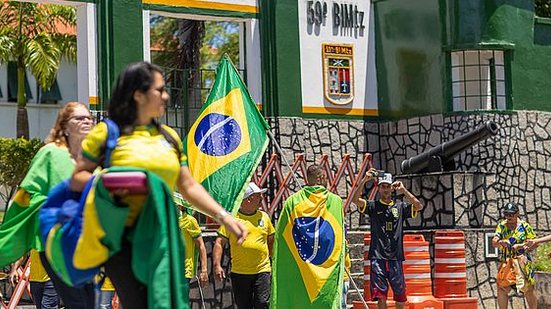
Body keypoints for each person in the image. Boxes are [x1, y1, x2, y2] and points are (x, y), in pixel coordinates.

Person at [70, 61, 247, 309]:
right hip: (123, 241)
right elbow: (78, 178)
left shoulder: (169, 137)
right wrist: (112, 181)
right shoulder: (108, 133)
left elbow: (188, 186)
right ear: (138, 95)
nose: (166, 95)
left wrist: (225, 217)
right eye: (159, 90)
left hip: (164, 239)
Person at [0, 102, 95, 308]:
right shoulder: (50, 153)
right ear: (65, 125)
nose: (86, 121)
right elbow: (28, 194)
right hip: (55, 243)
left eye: (89, 117)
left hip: (86, 244)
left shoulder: (91, 157)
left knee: (89, 303)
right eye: (79, 118)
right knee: (79, 304)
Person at [271, 164, 346, 309]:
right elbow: (337, 237)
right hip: (326, 273)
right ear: (321, 178)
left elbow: (281, 238)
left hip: (300, 271)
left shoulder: (292, 202)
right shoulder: (335, 202)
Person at [351, 168, 423, 309]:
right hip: (378, 256)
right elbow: (355, 200)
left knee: (400, 296)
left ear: (392, 188)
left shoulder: (400, 206)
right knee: (380, 297)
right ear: (378, 189)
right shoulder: (373, 206)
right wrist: (364, 180)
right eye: (383, 187)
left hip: (396, 256)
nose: (385, 190)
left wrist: (404, 190)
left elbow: (418, 206)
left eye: (388, 187)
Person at [213, 182, 274, 309]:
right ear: (248, 199)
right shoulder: (232, 219)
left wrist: (271, 259)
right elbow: (219, 242)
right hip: (240, 272)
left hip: (262, 270)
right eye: (258, 196)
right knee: (243, 305)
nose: (261, 199)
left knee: (262, 304)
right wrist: (217, 265)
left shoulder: (265, 217)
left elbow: (271, 239)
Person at [492, 202, 537, 309]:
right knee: (502, 287)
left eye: (511, 214)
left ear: (517, 214)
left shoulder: (525, 226)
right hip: (507, 262)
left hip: (522, 261)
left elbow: (535, 242)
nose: (508, 217)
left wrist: (523, 246)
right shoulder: (502, 225)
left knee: (528, 289)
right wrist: (501, 242)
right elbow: (494, 242)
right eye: (506, 214)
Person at [174, 193, 209, 288]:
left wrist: (204, 270)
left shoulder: (189, 221)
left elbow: (201, 245)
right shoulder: (165, 221)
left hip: (184, 271)